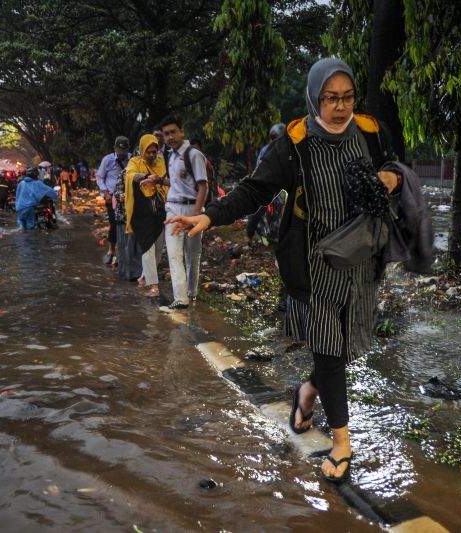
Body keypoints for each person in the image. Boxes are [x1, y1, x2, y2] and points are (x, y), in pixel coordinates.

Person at [166, 58, 406, 484]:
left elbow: (393, 165)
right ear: (315, 98)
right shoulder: (294, 143)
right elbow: (255, 188)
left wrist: (388, 178)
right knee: (330, 351)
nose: (340, 106)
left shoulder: (371, 131)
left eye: (347, 97)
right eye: (331, 98)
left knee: (345, 350)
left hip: (361, 260)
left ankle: (306, 393)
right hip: (314, 264)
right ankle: (342, 442)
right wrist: (210, 216)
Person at [161, 116, 209, 309]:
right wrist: (157, 181)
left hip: (192, 209)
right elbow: (176, 184)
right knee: (174, 254)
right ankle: (180, 299)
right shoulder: (170, 156)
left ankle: (191, 293)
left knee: (192, 254)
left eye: (173, 132)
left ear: (182, 132)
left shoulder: (193, 154)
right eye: (166, 134)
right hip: (173, 208)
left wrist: (195, 217)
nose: (170, 137)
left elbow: (203, 187)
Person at [125, 134, 169, 297]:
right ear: (142, 149)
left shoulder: (161, 163)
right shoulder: (134, 162)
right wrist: (144, 177)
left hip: (159, 211)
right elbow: (129, 175)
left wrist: (158, 180)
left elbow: (167, 183)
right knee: (147, 248)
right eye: (148, 151)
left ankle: (145, 276)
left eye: (154, 151)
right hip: (141, 213)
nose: (151, 154)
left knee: (158, 248)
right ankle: (154, 286)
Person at [247, 123, 287, 244]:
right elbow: (260, 169)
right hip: (266, 184)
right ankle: (249, 235)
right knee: (257, 209)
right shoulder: (266, 150)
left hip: (282, 186)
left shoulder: (288, 150)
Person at [96, 136, 132, 266]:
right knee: (115, 223)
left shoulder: (132, 159)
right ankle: (111, 250)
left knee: (128, 224)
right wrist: (105, 192)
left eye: (124, 151)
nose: (122, 155)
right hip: (111, 197)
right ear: (115, 148)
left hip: (128, 197)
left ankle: (126, 251)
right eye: (120, 151)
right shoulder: (108, 160)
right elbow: (100, 177)